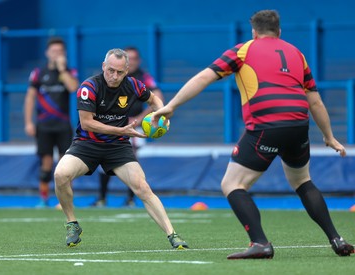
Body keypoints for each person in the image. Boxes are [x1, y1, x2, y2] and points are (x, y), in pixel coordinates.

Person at [151, 10, 354, 259]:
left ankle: (260, 243)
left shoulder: (243, 50)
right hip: (299, 125)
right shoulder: (296, 54)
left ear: (254, 32)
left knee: (232, 184)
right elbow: (316, 101)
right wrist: (329, 136)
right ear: (279, 31)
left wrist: (171, 105)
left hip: (266, 126)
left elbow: (205, 76)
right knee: (302, 181)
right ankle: (336, 238)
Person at [53, 48, 188, 249]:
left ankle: (173, 235)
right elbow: (87, 123)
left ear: (127, 71)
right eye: (110, 70)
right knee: (60, 174)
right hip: (87, 143)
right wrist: (121, 131)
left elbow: (153, 99)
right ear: (103, 66)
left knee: (142, 187)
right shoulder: (89, 87)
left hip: (117, 145)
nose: (114, 76)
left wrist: (161, 114)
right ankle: (72, 223)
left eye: (120, 72)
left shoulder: (133, 84)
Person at [92, 46, 164, 208]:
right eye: (128, 58)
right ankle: (102, 198)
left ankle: (130, 199)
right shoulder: (106, 78)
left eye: (134, 59)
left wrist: (141, 118)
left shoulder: (142, 78)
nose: (131, 63)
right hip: (110, 125)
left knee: (130, 160)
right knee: (103, 158)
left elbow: (157, 97)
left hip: (133, 126)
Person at [24, 37, 79, 207]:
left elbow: (73, 88)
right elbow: (30, 98)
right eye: (54, 51)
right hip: (44, 125)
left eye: (60, 51)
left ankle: (64, 201)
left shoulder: (69, 72)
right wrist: (28, 122)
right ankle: (43, 198)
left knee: (65, 164)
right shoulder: (38, 73)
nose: (57, 54)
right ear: (47, 53)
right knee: (46, 162)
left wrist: (62, 69)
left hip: (63, 125)